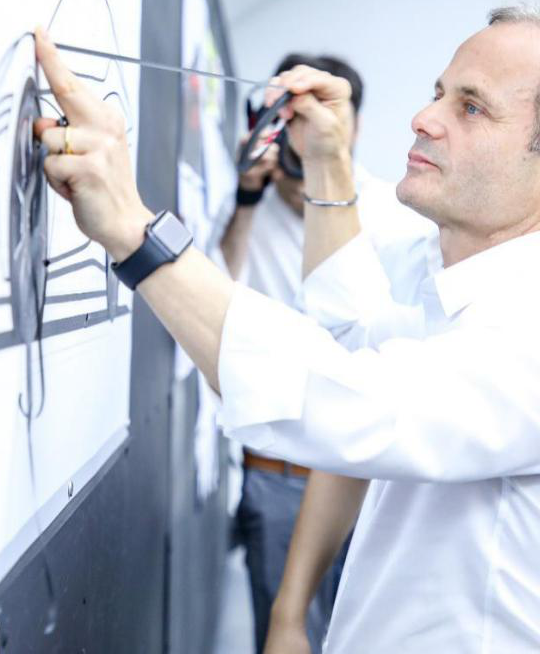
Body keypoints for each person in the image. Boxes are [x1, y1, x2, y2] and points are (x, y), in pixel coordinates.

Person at [27, 2, 540, 652]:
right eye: (438, 93)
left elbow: (347, 402)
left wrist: (134, 230)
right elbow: (350, 334)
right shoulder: (468, 281)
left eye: (471, 107)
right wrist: (327, 160)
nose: (423, 118)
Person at [219, 52, 432, 654]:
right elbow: (218, 301)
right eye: (287, 119)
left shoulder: (397, 213)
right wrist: (246, 197)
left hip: (373, 476)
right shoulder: (248, 205)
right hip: (281, 472)